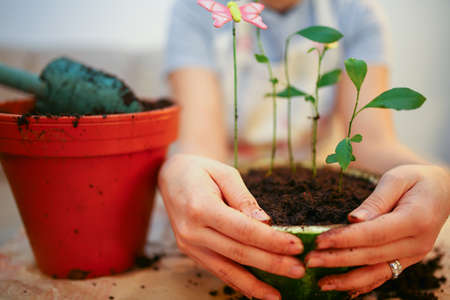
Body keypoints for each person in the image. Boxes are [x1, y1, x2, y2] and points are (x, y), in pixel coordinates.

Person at [158, 0, 450, 299]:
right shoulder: (197, 9)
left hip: (321, 185)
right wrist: (186, 169)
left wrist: (438, 179)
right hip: (230, 202)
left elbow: (372, 143)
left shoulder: (353, 11)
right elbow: (202, 147)